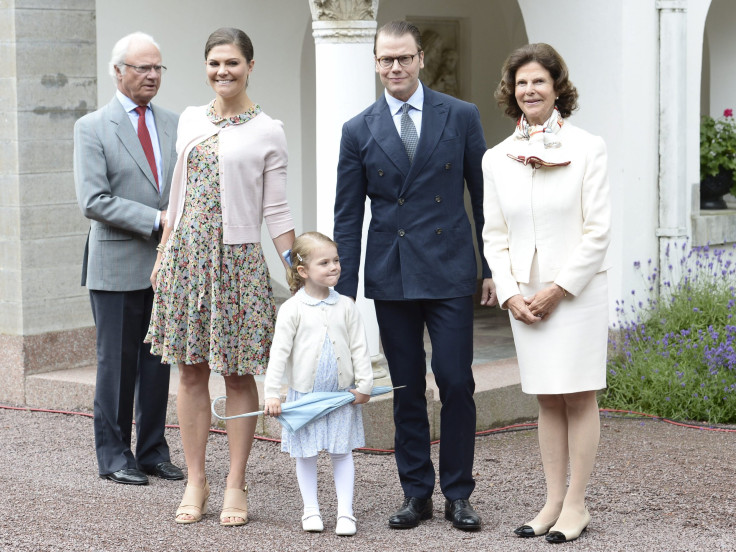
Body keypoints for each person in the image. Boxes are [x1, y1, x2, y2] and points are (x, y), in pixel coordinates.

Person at [333, 20, 497, 532]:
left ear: (421, 58)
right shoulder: (358, 129)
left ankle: (459, 495)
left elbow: (485, 196)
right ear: (376, 62)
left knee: (455, 381)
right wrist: (340, 293)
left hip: (450, 271)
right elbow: (347, 216)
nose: (395, 67)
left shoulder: (462, 116)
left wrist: (491, 269)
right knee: (406, 388)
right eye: (386, 59)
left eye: (404, 58)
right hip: (392, 272)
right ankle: (416, 494)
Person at [145, 27, 295, 525]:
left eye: (232, 63)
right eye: (214, 63)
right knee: (189, 371)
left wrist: (297, 270)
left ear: (250, 66)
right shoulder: (190, 119)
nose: (222, 72)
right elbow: (175, 197)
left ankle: (235, 481)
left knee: (236, 373)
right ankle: (195, 479)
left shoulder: (268, 129)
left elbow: (276, 210)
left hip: (238, 263)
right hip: (187, 258)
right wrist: (163, 255)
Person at [482, 43, 611, 543]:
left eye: (539, 81)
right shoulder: (497, 157)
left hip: (574, 292)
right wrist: (512, 293)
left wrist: (559, 289)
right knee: (546, 400)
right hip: (524, 296)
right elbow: (494, 235)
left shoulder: (588, 147)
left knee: (578, 395)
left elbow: (598, 231)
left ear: (557, 87)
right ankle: (552, 501)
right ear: (511, 92)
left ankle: (577, 504)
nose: (529, 90)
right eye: (521, 83)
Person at [74, 32, 183, 486]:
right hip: (116, 265)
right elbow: (94, 200)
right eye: (142, 68)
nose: (152, 75)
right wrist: (158, 220)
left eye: (157, 67)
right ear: (118, 72)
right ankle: (115, 456)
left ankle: (153, 450)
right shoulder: (92, 126)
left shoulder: (177, 123)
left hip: (167, 265)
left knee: (158, 363)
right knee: (116, 366)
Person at [263, 232, 373, 537]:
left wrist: (364, 384)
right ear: (303, 271)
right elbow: (279, 354)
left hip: (340, 397)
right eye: (324, 262)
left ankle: (345, 513)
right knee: (306, 453)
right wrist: (272, 394)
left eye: (336, 260)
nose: (334, 267)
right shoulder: (292, 310)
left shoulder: (347, 305)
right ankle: (310, 509)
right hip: (304, 398)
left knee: (342, 452)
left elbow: (359, 348)